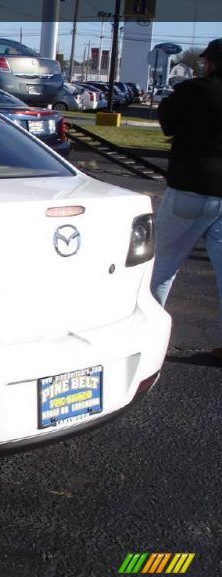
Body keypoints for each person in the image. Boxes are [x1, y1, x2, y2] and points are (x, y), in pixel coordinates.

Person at [151, 38, 222, 360]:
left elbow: (167, 123)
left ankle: (148, 338)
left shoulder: (196, 91)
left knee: (162, 267)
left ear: (211, 63)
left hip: (192, 190)